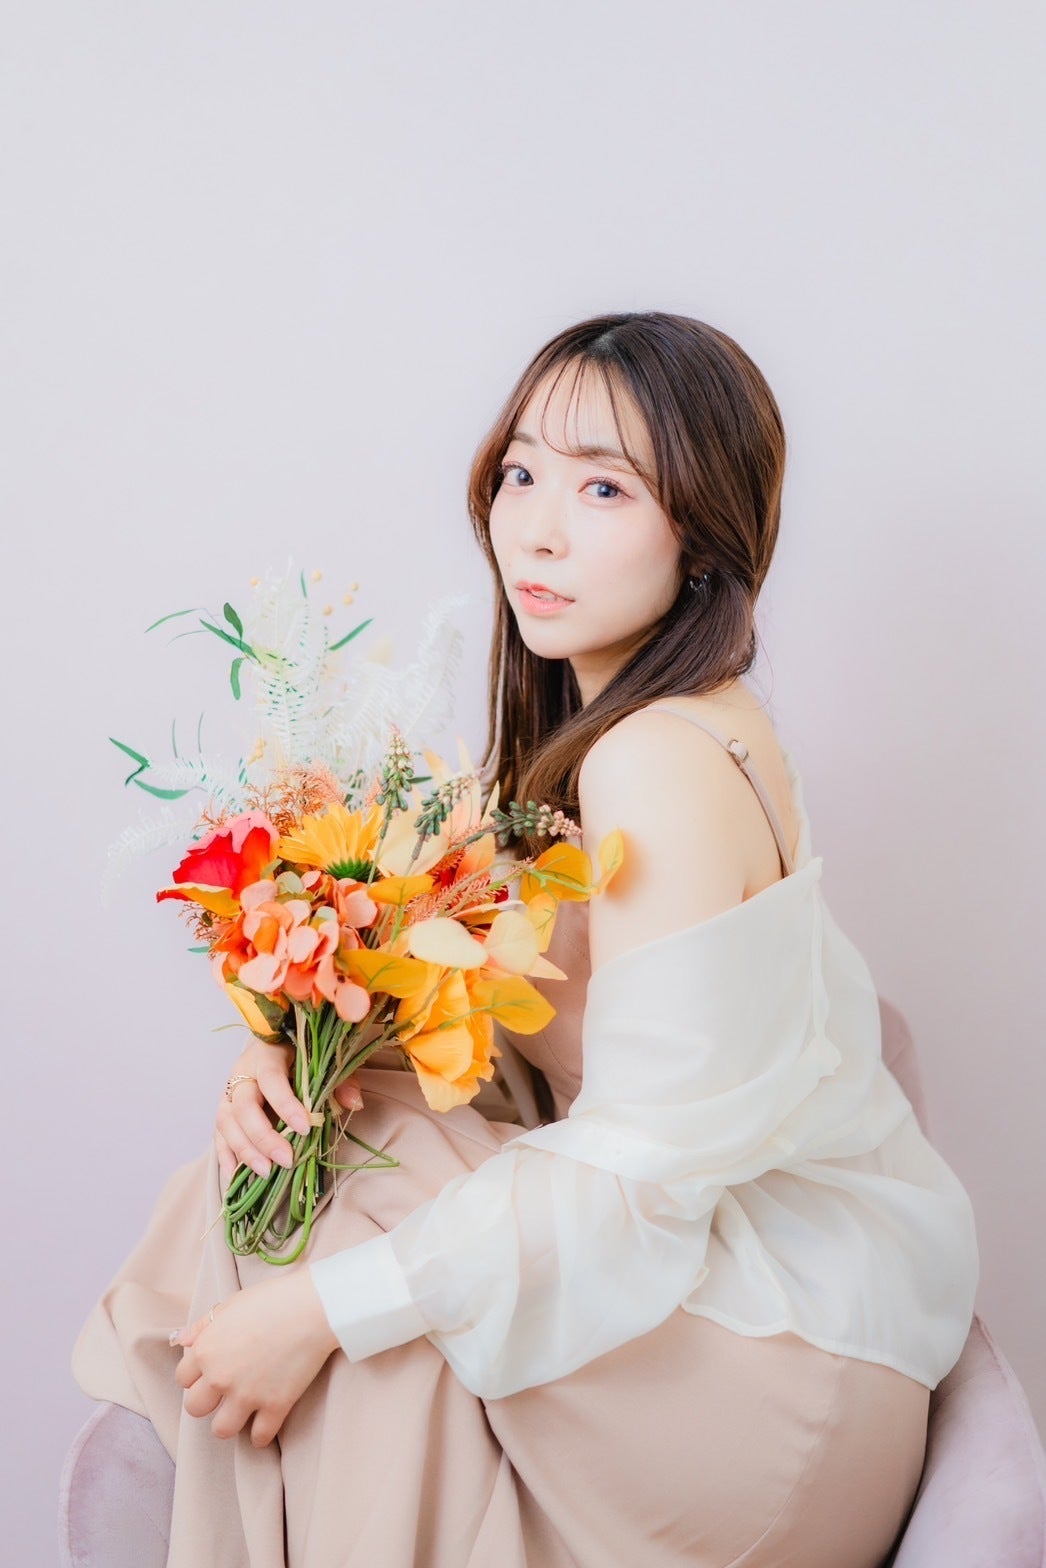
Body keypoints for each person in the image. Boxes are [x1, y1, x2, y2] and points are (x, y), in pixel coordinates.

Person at [72, 311, 980, 1568]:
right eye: (519, 472)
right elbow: (522, 1039)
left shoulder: (656, 757)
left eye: (603, 487)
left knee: (342, 1248)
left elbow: (638, 1175)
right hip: (773, 1323)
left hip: (775, 1386)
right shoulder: (650, 726)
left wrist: (315, 1314)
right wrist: (290, 1045)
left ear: (702, 535)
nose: (537, 529)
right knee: (335, 1148)